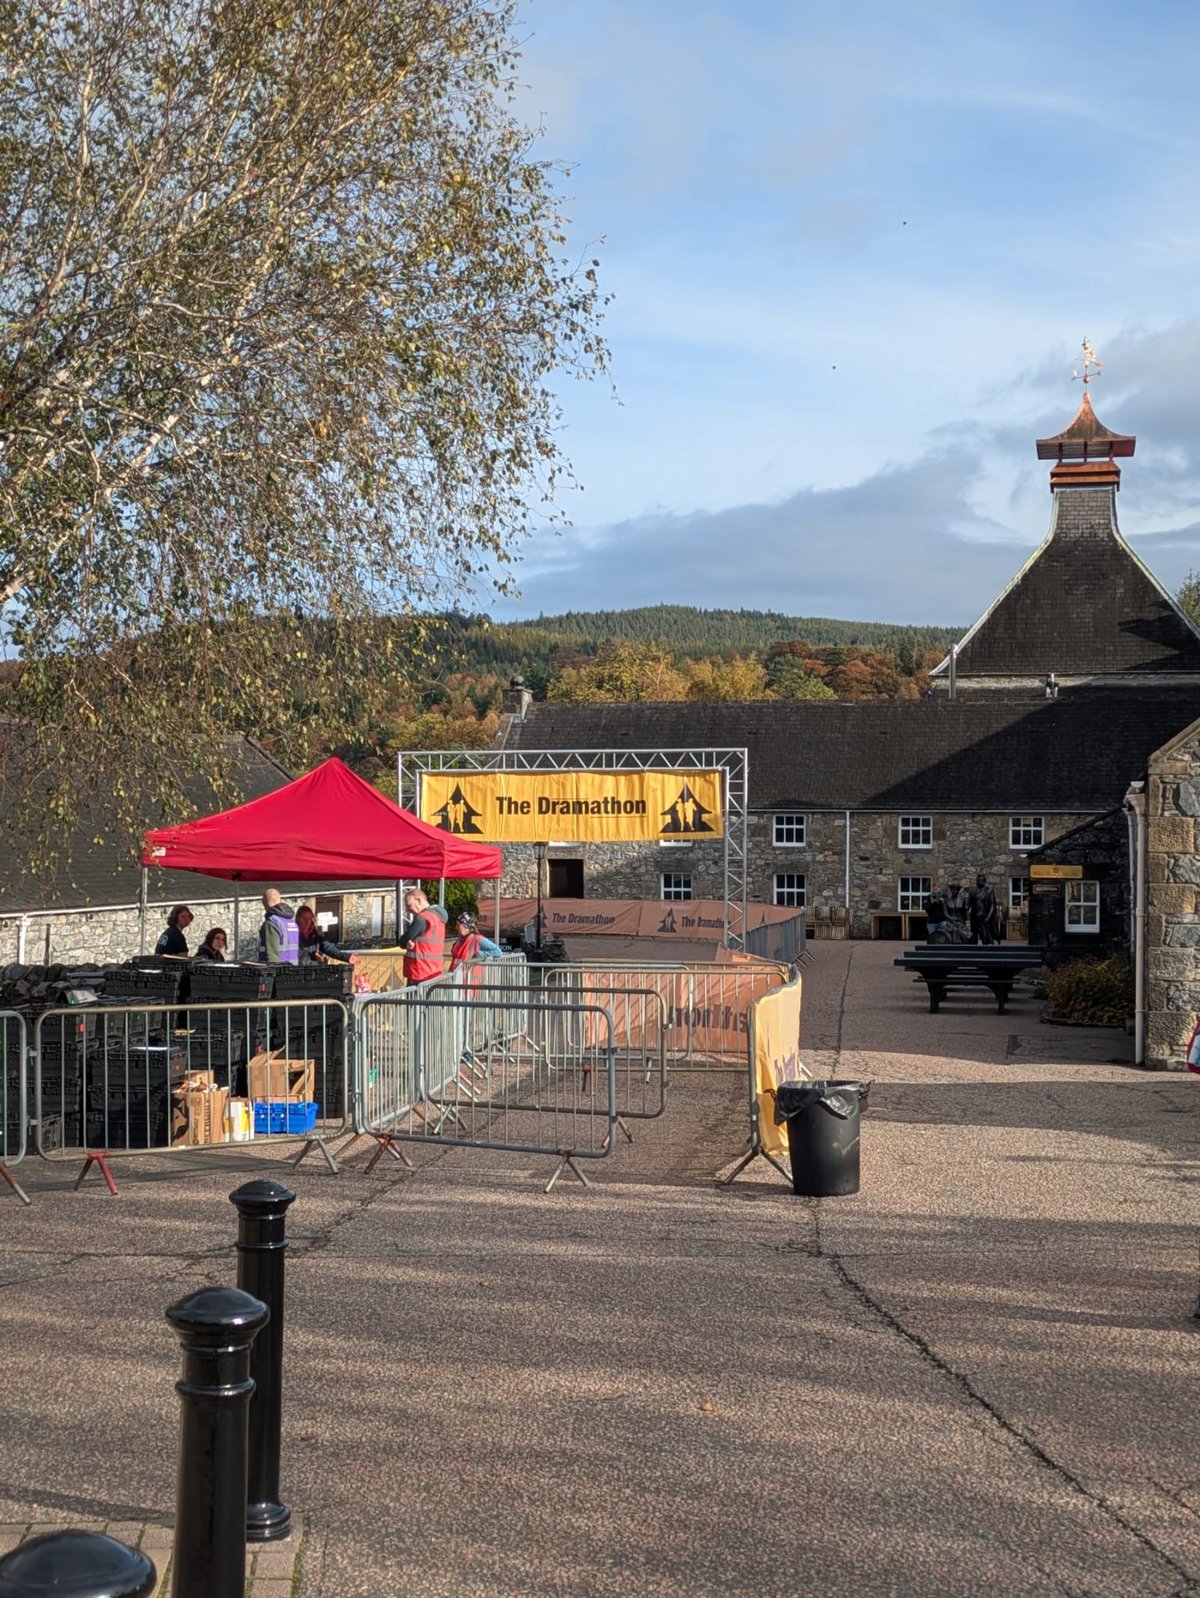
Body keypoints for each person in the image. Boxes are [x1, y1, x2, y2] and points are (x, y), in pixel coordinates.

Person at [397, 888, 448, 984]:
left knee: (415, 999)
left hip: (419, 971)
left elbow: (402, 942)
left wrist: (406, 942)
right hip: (434, 972)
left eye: (409, 905)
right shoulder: (438, 918)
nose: (408, 910)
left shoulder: (422, 919)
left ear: (419, 900)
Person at [258, 888, 300, 964]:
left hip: (279, 972)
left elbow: (272, 956)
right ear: (280, 900)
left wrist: (270, 974)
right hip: (293, 970)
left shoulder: (271, 923)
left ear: (263, 903)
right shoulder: (292, 923)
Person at [969, 873, 1003, 946]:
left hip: (984, 917)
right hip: (974, 917)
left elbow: (992, 905)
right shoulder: (972, 891)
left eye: (981, 879)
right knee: (974, 936)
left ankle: (987, 951)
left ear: (984, 880)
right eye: (978, 880)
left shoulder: (989, 890)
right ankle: (973, 953)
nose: (980, 881)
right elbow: (968, 904)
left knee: (985, 936)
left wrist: (988, 917)